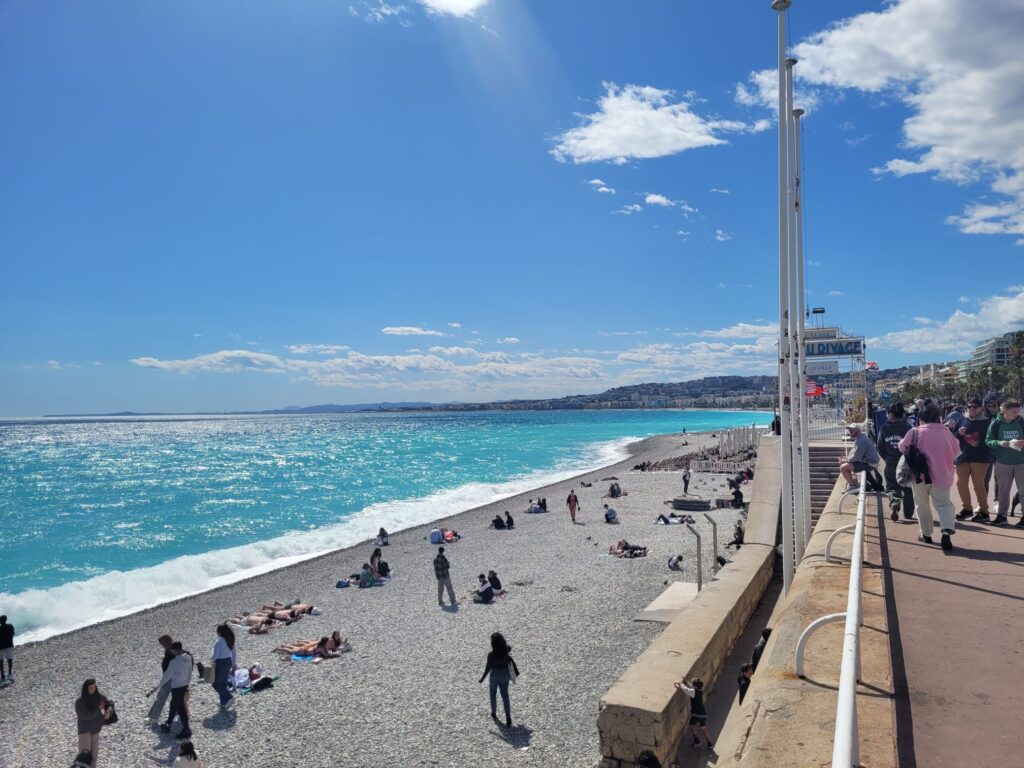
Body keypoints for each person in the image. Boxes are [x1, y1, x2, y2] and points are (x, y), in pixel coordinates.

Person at [899, 403, 960, 550]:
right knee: (944, 504)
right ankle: (946, 531)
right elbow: (957, 451)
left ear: (921, 418)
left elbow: (902, 447)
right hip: (943, 475)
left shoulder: (915, 432)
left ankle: (926, 534)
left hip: (920, 476)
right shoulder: (946, 432)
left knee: (922, 504)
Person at [953, 398, 993, 522]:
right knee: (960, 483)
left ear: (981, 408)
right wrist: (959, 433)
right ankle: (967, 509)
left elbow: (990, 439)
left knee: (978, 485)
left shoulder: (987, 421)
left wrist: (978, 443)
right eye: (969, 406)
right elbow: (954, 437)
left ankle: (984, 511)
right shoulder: (962, 419)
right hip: (964, 456)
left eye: (975, 407)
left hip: (980, 457)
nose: (971, 409)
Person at [986, 399, 1024, 527]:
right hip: (1003, 462)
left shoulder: (1021, 422)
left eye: (1018, 411)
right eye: (1014, 412)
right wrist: (999, 443)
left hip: (1021, 462)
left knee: (1023, 490)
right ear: (1005, 411)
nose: (1017, 414)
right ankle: (1002, 516)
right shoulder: (996, 423)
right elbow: (988, 440)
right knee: (1003, 490)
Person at [877, 404, 915, 522]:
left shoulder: (884, 428)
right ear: (903, 414)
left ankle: (895, 503)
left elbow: (880, 446)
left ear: (890, 414)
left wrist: (887, 458)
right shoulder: (908, 427)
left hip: (891, 461)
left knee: (892, 486)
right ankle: (908, 513)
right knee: (908, 487)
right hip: (906, 462)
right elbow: (913, 445)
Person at [479, 632, 519, 727]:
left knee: (492, 694)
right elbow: (509, 648)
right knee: (505, 695)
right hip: (504, 674)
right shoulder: (506, 653)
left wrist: (482, 678)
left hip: (494, 675)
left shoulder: (491, 655)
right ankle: (508, 716)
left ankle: (493, 713)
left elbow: (488, 668)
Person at [157, 642, 194, 739]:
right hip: (184, 685)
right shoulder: (188, 657)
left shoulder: (174, 662)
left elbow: (167, 676)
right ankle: (168, 723)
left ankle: (187, 730)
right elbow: (190, 671)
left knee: (181, 709)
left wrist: (158, 686)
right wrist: (187, 682)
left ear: (173, 650)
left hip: (177, 688)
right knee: (173, 704)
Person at [75, 678, 112, 764]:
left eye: (94, 687)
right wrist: (99, 710)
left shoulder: (99, 697)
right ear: (86, 688)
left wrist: (109, 711)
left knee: (94, 754)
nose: (93, 689)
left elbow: (110, 703)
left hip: (96, 729)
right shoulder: (80, 701)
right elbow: (85, 716)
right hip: (85, 731)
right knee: (84, 755)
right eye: (91, 688)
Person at [840, 424, 883, 492]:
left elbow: (856, 457)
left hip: (870, 463)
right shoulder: (860, 438)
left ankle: (851, 486)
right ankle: (853, 485)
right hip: (869, 461)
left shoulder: (861, 440)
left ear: (858, 430)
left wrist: (846, 460)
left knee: (843, 467)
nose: (850, 431)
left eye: (852, 430)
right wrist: (848, 459)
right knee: (847, 465)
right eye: (849, 430)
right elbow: (856, 454)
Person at [674, 677, 713, 749]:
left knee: (692, 725)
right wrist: (686, 682)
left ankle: (697, 741)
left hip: (696, 713)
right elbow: (692, 687)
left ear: (695, 686)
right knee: (703, 727)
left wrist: (680, 684)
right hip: (703, 713)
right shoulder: (700, 690)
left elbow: (686, 690)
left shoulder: (693, 692)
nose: (691, 685)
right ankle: (709, 743)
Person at [145, 634, 175, 723]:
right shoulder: (174, 651)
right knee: (177, 697)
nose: (161, 646)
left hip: (169, 679)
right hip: (176, 678)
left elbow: (169, 668)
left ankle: (154, 717)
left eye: (161, 644)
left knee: (161, 697)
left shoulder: (169, 652)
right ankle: (181, 713)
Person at [212, 624, 236, 709]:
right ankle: (223, 702)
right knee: (223, 683)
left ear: (220, 632)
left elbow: (215, 655)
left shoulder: (219, 642)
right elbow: (234, 653)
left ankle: (229, 697)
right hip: (228, 661)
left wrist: (212, 663)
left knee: (216, 684)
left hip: (220, 663)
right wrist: (233, 664)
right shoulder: (230, 640)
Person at [0, 615, 13, 683]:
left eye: (0, 620)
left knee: (2, 661)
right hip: (8, 645)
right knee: (9, 660)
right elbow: (12, 634)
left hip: (2, 647)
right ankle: (8, 674)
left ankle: (3, 675)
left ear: (3, 620)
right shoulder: (10, 626)